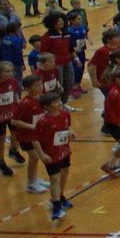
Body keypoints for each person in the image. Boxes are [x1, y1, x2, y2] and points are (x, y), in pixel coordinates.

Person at [35, 92, 74, 221]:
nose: (59, 103)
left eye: (59, 101)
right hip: (50, 155)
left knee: (64, 173)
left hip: (64, 151)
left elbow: (68, 125)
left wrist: (70, 131)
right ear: (46, 106)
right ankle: (56, 206)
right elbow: (34, 139)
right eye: (55, 102)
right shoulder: (43, 121)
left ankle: (61, 196)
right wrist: (42, 154)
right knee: (55, 178)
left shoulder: (64, 114)